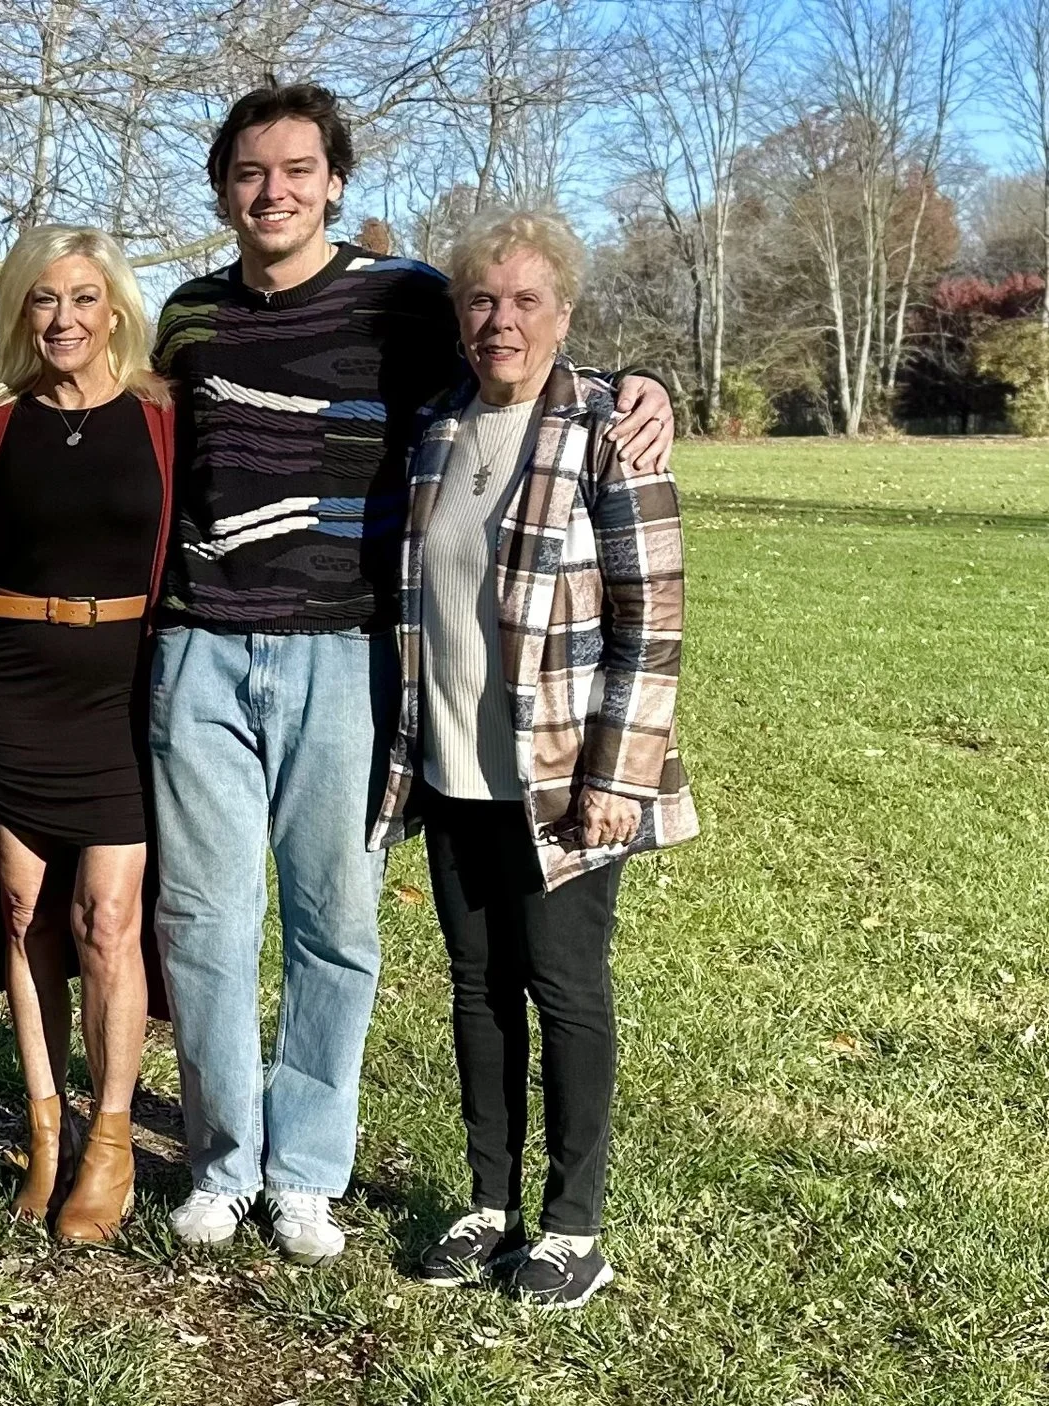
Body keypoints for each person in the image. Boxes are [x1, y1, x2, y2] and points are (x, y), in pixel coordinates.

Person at [147, 84, 679, 1264]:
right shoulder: (184, 317)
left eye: (296, 169)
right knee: (205, 921)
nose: (272, 190)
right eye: (249, 172)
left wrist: (645, 380)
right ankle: (224, 1162)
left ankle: (306, 1174)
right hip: (198, 648)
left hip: (347, 653)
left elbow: (528, 345)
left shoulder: (407, 300)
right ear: (224, 189)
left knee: (335, 924)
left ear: (335, 181)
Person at [369, 209, 695, 1309]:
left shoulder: (608, 429)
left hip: (565, 777)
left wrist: (619, 776)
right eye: (479, 300)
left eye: (522, 300)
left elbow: (652, 620)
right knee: (475, 988)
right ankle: (489, 1201)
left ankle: (573, 1223)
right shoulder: (435, 427)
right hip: (453, 765)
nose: (498, 320)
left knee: (563, 987)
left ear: (562, 312)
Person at [0, 226, 172, 1244]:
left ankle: (113, 1137)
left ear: (114, 306)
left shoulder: (166, 415)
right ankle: (47, 1128)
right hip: (12, 686)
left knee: (106, 920)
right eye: (43, 300)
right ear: (20, 313)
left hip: (123, 695)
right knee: (26, 909)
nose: (64, 318)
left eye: (84, 297)